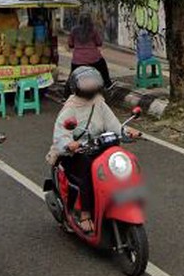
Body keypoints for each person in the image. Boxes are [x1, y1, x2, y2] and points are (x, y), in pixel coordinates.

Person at [47, 67, 139, 223]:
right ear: (76, 86)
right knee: (88, 171)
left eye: (92, 82)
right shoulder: (70, 108)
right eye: (86, 82)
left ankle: (119, 202)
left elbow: (113, 125)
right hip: (75, 153)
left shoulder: (99, 103)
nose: (90, 85)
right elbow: (61, 134)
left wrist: (127, 131)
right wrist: (69, 144)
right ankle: (85, 213)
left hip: (97, 147)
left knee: (120, 167)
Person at [67, 12, 110, 97]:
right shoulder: (93, 30)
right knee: (103, 69)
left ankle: (67, 94)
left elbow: (70, 44)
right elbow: (99, 43)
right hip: (93, 59)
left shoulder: (74, 30)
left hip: (78, 60)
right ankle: (108, 85)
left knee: (72, 75)